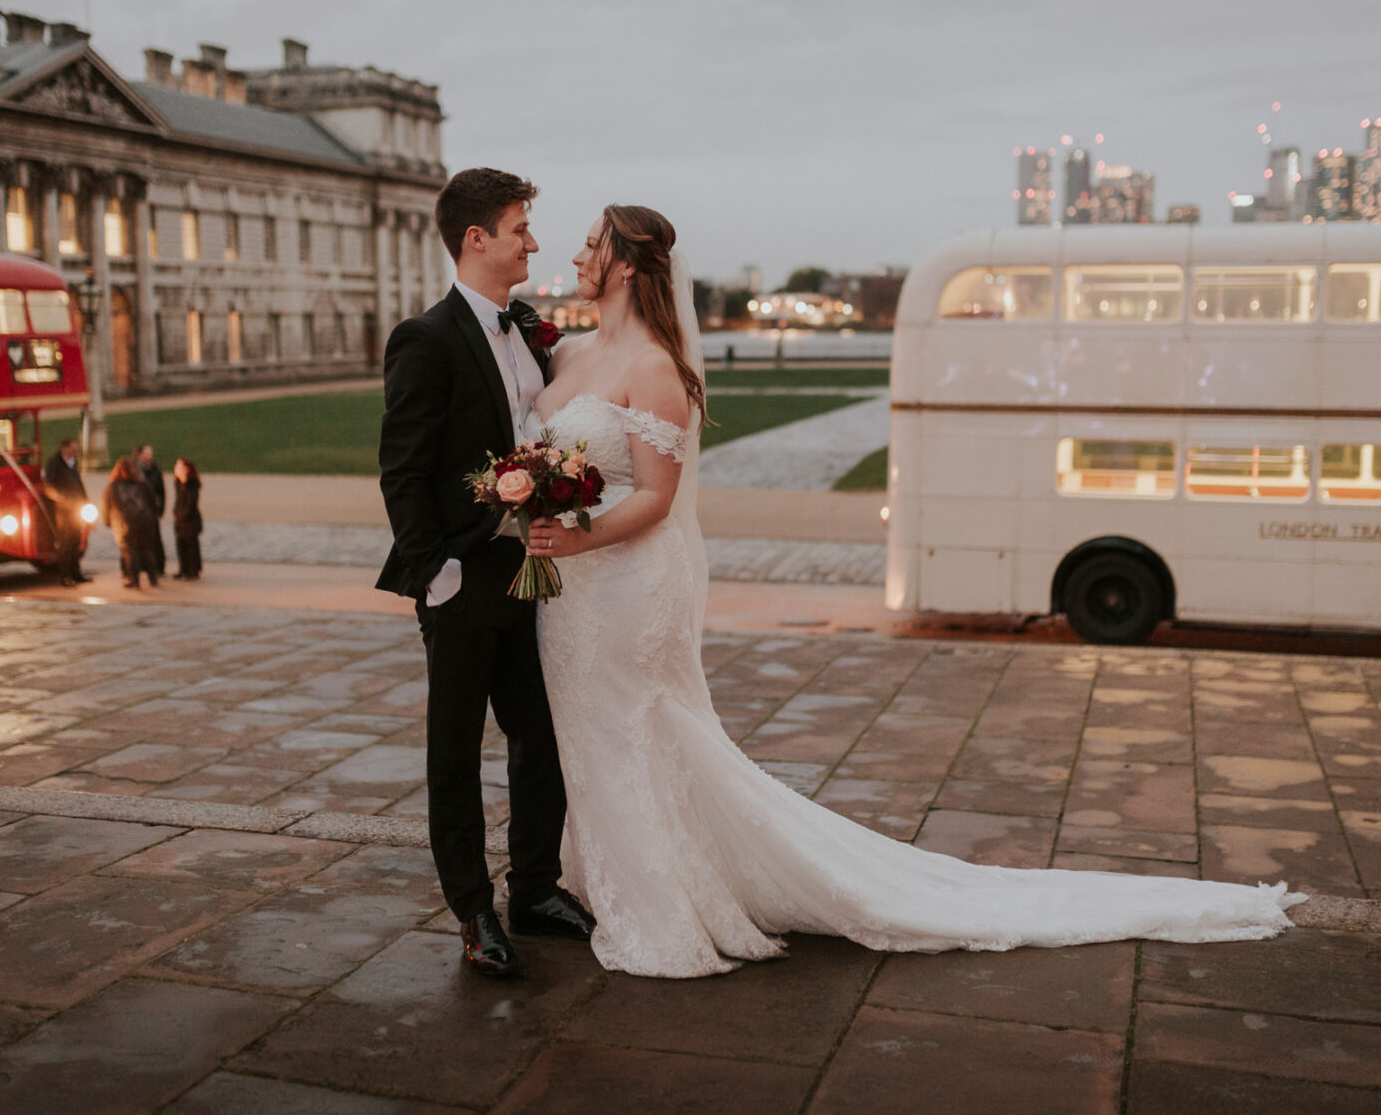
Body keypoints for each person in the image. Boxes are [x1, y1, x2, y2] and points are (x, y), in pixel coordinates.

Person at [524, 205, 1303, 979]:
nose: (579, 253)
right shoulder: (566, 353)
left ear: (628, 263)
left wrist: (574, 536)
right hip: (571, 593)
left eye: (593, 243)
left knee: (638, 732)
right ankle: (610, 878)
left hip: (626, 585)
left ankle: (664, 899)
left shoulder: (656, 366)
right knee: (592, 736)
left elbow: (657, 496)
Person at [375, 167, 593, 980]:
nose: (531, 240)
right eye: (519, 227)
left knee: (540, 736)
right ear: (477, 239)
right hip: (462, 577)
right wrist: (437, 574)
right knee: (456, 751)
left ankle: (534, 887)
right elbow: (402, 471)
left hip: (526, 570)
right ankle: (473, 911)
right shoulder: (425, 339)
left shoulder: (527, 329)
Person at [101, 455, 162, 589]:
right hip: (145, 521)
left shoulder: (113, 486)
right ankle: (153, 578)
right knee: (147, 549)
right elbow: (152, 503)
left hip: (125, 523)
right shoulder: (143, 484)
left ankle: (134, 579)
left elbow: (107, 506)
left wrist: (107, 521)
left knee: (130, 551)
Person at [41, 436, 89, 586]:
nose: (75, 452)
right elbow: (49, 487)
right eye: (73, 449)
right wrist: (65, 499)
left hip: (76, 509)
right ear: (65, 448)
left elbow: (78, 483)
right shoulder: (55, 463)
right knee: (66, 544)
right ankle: (65, 576)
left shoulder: (72, 463)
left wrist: (84, 500)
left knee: (76, 542)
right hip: (63, 512)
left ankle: (76, 573)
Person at [136, 444, 169, 577]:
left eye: (150, 453)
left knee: (155, 539)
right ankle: (138, 566)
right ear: (139, 454)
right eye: (146, 453)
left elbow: (161, 492)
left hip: (151, 509)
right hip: (137, 510)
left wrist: (160, 510)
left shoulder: (155, 469)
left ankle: (158, 566)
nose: (149, 456)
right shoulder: (134, 469)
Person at [172, 457, 202, 580]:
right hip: (180, 519)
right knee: (181, 544)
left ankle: (193, 569)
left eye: (179, 466)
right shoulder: (178, 483)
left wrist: (182, 515)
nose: (176, 468)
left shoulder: (192, 484)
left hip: (189, 520)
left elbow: (191, 503)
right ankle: (183, 568)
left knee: (191, 545)